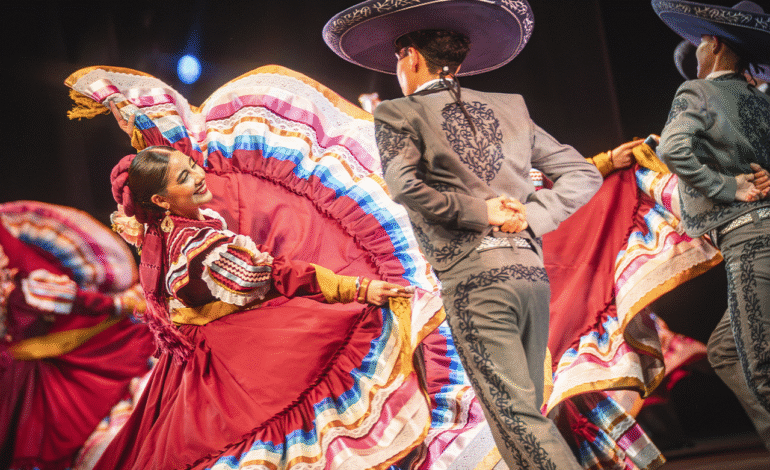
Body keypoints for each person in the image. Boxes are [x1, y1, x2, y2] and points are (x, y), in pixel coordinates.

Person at [66, 64, 462, 470]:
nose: (199, 175)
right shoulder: (199, 246)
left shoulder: (153, 228)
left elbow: (164, 169)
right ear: (163, 200)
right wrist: (358, 289)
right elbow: (275, 276)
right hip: (225, 362)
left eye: (191, 167)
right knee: (356, 332)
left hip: (192, 360)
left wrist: (132, 113)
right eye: (185, 177)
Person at [324, 1, 602, 468]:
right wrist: (529, 217)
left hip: (476, 280)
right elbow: (582, 174)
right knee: (524, 414)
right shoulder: (511, 108)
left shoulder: (398, 112)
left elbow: (405, 186)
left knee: (516, 416)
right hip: (529, 275)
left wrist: (485, 212)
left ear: (410, 57)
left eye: (397, 60)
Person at [653, 0, 770, 452]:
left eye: (699, 43)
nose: (696, 54)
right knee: (724, 349)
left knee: (758, 361)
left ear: (713, 44)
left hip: (749, 237)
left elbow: (674, 150)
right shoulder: (758, 97)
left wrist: (725, 186)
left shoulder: (696, 93)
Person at [0, 200, 154, 470]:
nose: (8, 279)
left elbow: (113, 303)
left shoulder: (31, 281)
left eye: (5, 274)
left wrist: (79, 299)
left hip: (77, 364)